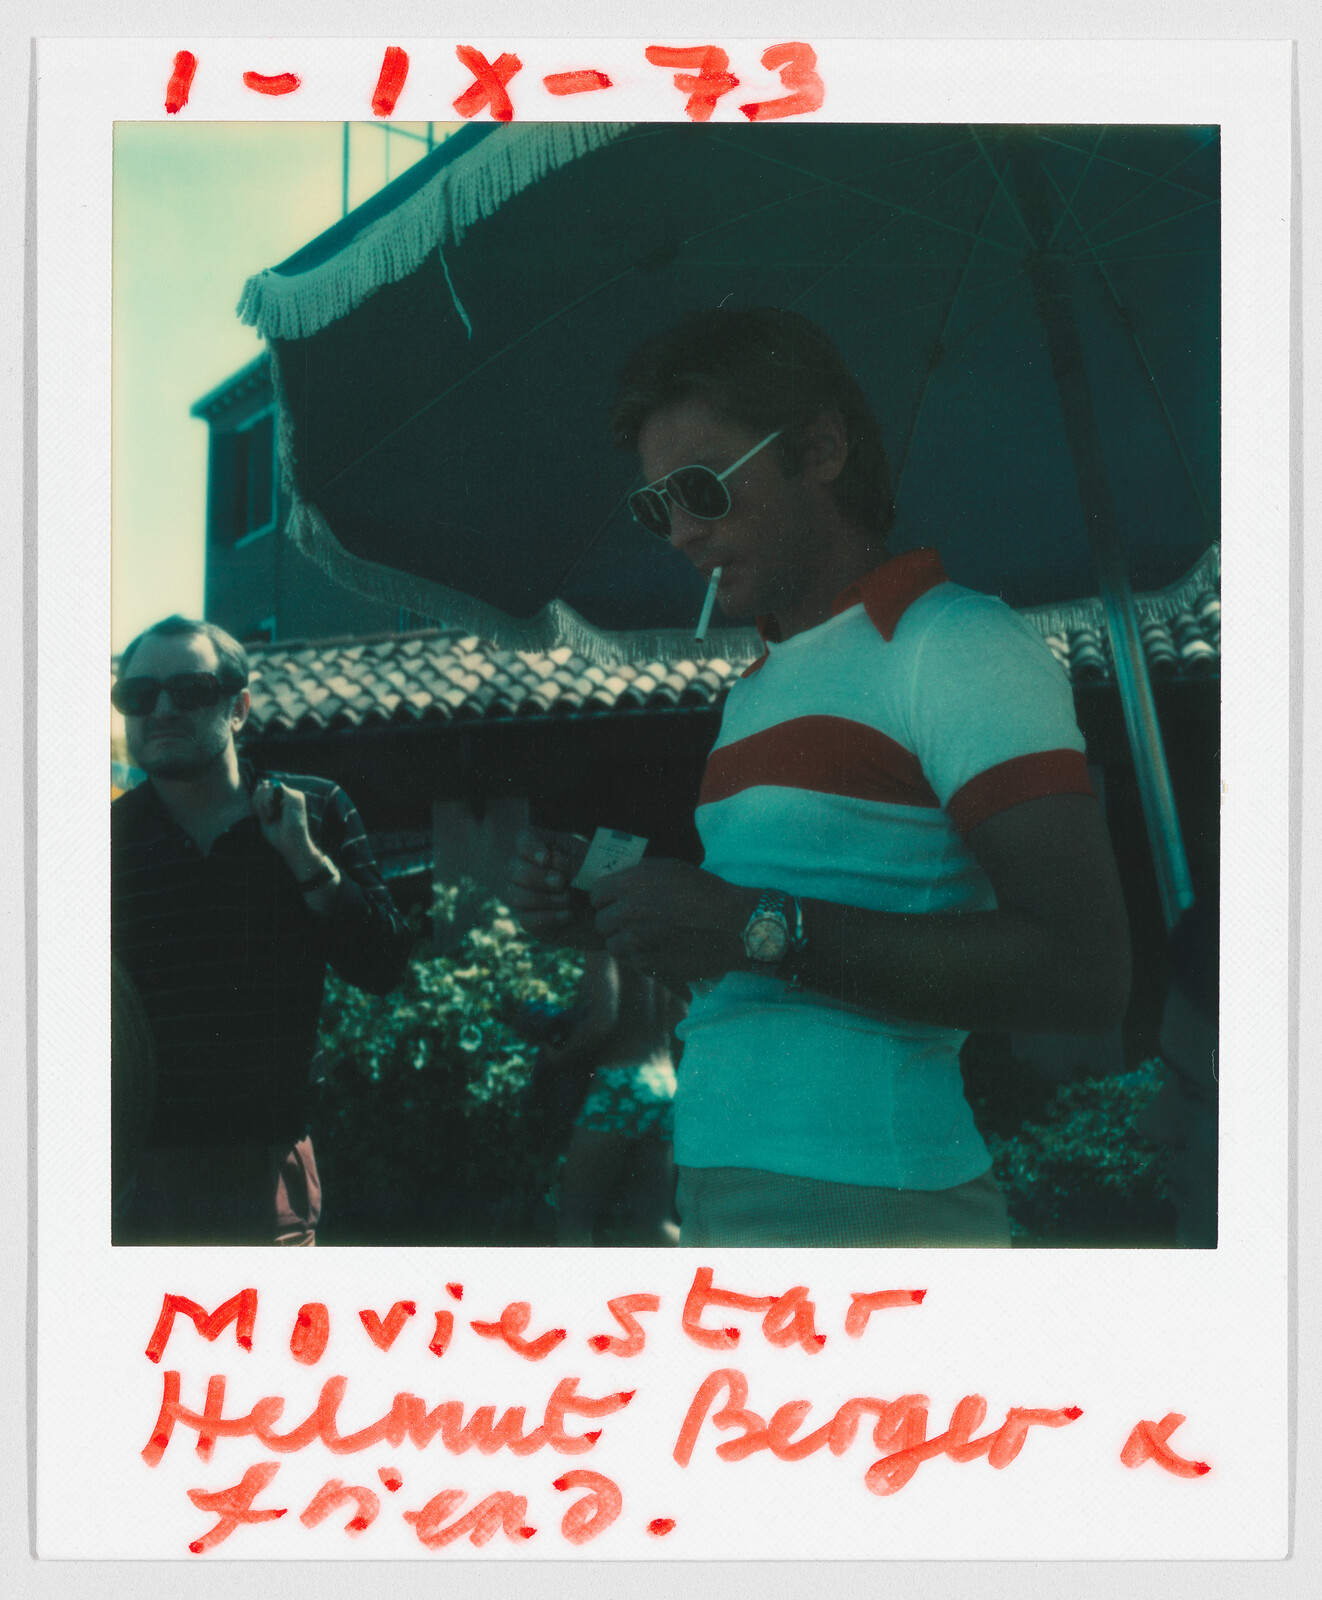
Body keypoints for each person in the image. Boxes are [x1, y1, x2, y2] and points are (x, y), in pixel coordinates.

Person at [508, 306, 1131, 1248]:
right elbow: (753, 965)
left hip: (866, 1196)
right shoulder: (758, 687)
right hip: (718, 1177)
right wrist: (622, 913)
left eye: (699, 489)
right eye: (654, 506)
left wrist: (741, 923)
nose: (677, 532)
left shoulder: (955, 643)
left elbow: (1086, 974)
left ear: (823, 449)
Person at [111, 615, 412, 1244]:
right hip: (129, 1174)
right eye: (138, 695)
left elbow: (384, 968)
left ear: (238, 707)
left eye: (189, 689)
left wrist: (305, 860)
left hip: (266, 1169)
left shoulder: (314, 810)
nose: (161, 708)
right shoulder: (100, 843)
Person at [547, 953, 684, 1246]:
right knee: (656, 1223)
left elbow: (602, 1020)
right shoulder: (658, 942)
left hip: (619, 1082)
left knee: (574, 1220)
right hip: (663, 1080)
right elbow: (681, 1016)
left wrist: (558, 1055)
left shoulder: (606, 941)